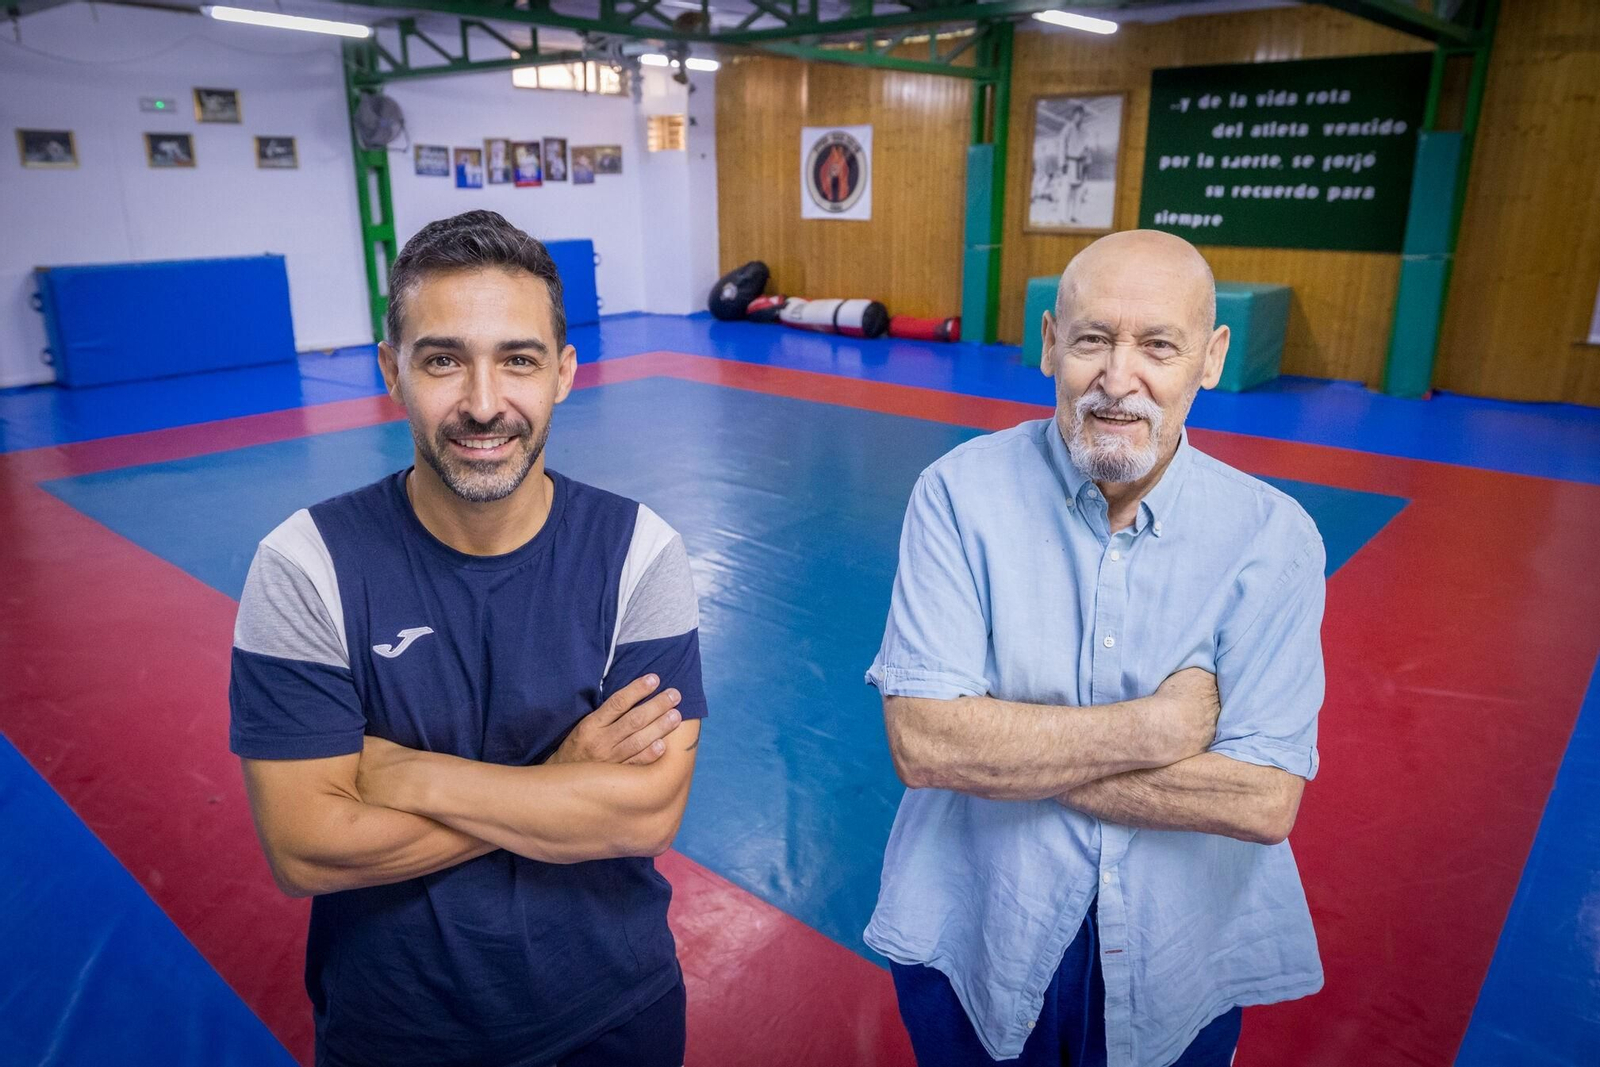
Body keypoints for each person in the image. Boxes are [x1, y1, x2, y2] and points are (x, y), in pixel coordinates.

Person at [229, 210, 706, 1067]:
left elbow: (646, 812)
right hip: (397, 1027)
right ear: (392, 371)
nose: (484, 405)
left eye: (518, 359)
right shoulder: (304, 566)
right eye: (444, 360)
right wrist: (559, 782)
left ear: (564, 372)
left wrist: (407, 773)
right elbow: (305, 847)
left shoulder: (641, 553)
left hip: (615, 1009)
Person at [865, 229, 1325, 1067]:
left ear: (1211, 357)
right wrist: (1156, 727)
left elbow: (1261, 801)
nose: (1119, 379)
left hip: (1175, 953)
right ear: (1049, 344)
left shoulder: (1272, 539)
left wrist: (1007, 753)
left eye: (1157, 345)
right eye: (1091, 339)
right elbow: (925, 743)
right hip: (979, 928)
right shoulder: (957, 496)